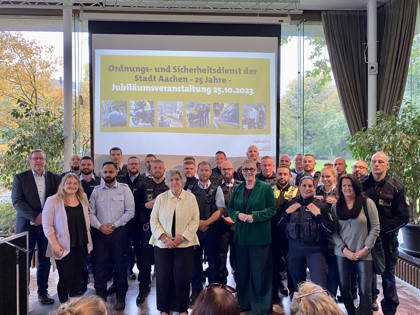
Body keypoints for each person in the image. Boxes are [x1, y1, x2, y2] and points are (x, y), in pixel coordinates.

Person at [363, 151, 409, 314]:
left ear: (387, 165)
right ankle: (368, 306)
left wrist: (379, 230)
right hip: (365, 242)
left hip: (386, 242)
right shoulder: (362, 185)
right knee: (366, 279)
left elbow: (403, 217)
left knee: (388, 280)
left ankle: (389, 310)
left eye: (381, 162)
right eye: (374, 161)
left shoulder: (396, 187)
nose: (377, 165)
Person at [12, 148, 60, 305]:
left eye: (41, 158)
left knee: (44, 261)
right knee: (24, 261)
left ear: (45, 161)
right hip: (27, 226)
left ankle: (43, 293)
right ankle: (21, 293)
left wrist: (44, 218)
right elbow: (17, 201)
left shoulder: (54, 178)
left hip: (47, 227)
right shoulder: (20, 178)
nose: (38, 161)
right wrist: (34, 216)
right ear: (30, 161)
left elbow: (58, 200)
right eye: (35, 158)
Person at [227, 159, 276, 314]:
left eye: (251, 169)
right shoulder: (237, 188)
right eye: (245, 170)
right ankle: (244, 303)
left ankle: (261, 306)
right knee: (242, 272)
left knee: (259, 273)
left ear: (256, 170)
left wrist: (254, 216)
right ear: (241, 172)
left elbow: (272, 209)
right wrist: (238, 215)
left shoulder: (266, 188)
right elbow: (230, 209)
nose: (248, 172)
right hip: (241, 238)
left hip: (259, 238)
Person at [149, 169, 200, 315]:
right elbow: (154, 219)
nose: (174, 182)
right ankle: (164, 309)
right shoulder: (161, 198)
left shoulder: (190, 198)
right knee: (164, 277)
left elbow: (195, 220)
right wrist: (165, 238)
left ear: (182, 181)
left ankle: (182, 308)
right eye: (171, 180)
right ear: (167, 182)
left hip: (184, 245)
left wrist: (181, 238)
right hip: (162, 244)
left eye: (177, 179)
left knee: (182, 278)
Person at [88, 161, 135, 310]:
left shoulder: (124, 189)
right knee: (100, 266)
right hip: (100, 233)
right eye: (105, 172)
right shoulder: (96, 191)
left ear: (116, 173)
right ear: (102, 173)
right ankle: (100, 297)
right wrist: (100, 226)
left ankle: (120, 297)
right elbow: (90, 212)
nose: (108, 174)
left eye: (111, 172)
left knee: (120, 266)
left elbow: (130, 211)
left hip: (119, 232)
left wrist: (114, 225)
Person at [42, 173, 93, 308]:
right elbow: (47, 225)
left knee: (78, 274)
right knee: (65, 276)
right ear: (63, 185)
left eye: (75, 183)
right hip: (63, 245)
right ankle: (63, 305)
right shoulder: (53, 200)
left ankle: (74, 303)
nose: (72, 186)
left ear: (79, 185)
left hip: (82, 243)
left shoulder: (83, 198)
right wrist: (54, 245)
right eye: (68, 183)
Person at [332, 174, 380, 315]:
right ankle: (351, 312)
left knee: (365, 291)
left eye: (350, 185)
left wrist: (365, 249)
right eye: (344, 185)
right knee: (345, 287)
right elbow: (333, 231)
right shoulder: (336, 206)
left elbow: (376, 227)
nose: (347, 188)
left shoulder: (367, 203)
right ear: (340, 188)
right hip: (343, 253)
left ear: (356, 187)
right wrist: (344, 249)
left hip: (364, 253)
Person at [278, 176, 334, 292]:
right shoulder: (290, 204)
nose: (307, 188)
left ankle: (319, 309)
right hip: (294, 248)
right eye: (304, 185)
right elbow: (279, 226)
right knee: (296, 284)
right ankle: (298, 308)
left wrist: (318, 215)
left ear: (314, 188)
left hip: (315, 249)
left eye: (310, 186)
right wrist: (286, 213)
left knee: (319, 285)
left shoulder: (321, 206)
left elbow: (329, 231)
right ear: (299, 187)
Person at [188, 161, 226, 305]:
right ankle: (196, 291)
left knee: (214, 263)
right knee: (194, 263)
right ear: (197, 173)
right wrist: (197, 223)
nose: (204, 173)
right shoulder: (190, 189)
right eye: (201, 170)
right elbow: (187, 210)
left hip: (212, 230)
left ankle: (213, 293)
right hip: (194, 231)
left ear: (210, 172)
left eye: (206, 170)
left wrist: (206, 222)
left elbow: (221, 209)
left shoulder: (217, 189)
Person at [133, 159, 169, 305]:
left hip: (165, 230)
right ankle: (143, 288)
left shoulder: (169, 186)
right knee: (144, 262)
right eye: (155, 168)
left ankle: (165, 292)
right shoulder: (143, 186)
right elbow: (134, 207)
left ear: (164, 169)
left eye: (160, 167)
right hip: (147, 229)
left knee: (164, 262)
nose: (158, 170)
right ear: (150, 170)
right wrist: (146, 205)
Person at [272, 165, 299, 301]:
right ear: (276, 175)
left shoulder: (297, 191)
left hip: (291, 234)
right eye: (280, 174)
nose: (282, 177)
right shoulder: (270, 190)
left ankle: (293, 291)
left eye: (285, 174)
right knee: (275, 262)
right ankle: (277, 288)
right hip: (273, 233)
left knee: (291, 263)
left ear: (290, 176)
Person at [120, 156, 147, 280]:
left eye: (136, 164)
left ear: (139, 166)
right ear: (127, 165)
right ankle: (128, 270)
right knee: (124, 248)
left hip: (139, 221)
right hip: (123, 220)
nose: (133, 166)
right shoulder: (120, 180)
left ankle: (143, 277)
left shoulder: (145, 181)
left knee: (139, 249)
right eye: (131, 164)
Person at [314, 167, 339, 298]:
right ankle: (322, 298)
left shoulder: (339, 191)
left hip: (336, 235)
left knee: (333, 269)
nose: (325, 179)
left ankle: (332, 297)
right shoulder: (317, 191)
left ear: (334, 176)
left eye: (328, 176)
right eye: (322, 177)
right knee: (321, 268)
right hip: (320, 234)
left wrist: (337, 203)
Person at [218, 160, 242, 283]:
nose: (226, 171)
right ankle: (222, 284)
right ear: (220, 171)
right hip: (221, 226)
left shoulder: (241, 185)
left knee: (237, 255)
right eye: (224, 169)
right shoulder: (216, 186)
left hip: (238, 226)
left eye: (229, 169)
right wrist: (223, 217)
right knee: (221, 255)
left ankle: (238, 283)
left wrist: (235, 218)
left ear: (233, 170)